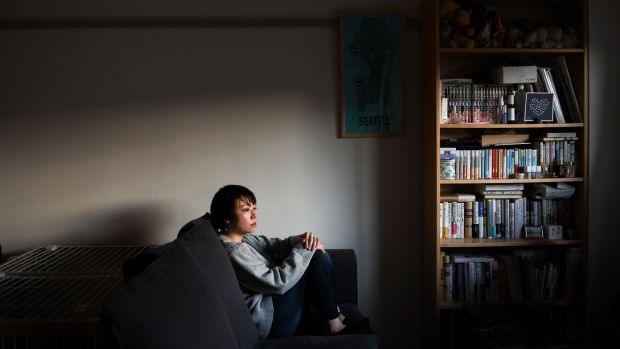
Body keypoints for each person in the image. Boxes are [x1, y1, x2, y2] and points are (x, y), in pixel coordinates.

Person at [209, 184, 368, 340]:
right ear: (226, 218)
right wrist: (306, 249)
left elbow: (277, 245)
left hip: (278, 309)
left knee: (312, 251)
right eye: (245, 210)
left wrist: (304, 239)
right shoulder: (234, 252)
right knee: (314, 255)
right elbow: (276, 283)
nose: (253, 215)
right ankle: (335, 322)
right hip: (273, 324)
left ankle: (335, 317)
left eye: (254, 209)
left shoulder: (246, 240)